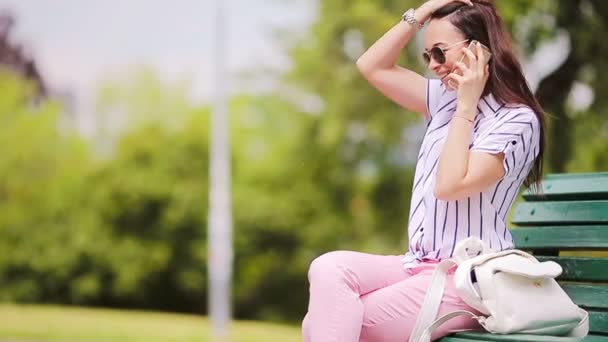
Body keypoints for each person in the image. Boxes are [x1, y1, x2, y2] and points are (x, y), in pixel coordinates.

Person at [301, 0, 547, 341]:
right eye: (426, 56)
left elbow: (449, 185)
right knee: (328, 268)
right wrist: (425, 11)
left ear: (479, 50)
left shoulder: (516, 120)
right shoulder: (443, 99)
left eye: (440, 53)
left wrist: (466, 106)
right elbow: (371, 65)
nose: (433, 66)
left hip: (467, 278)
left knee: (327, 322)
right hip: (416, 265)